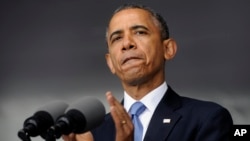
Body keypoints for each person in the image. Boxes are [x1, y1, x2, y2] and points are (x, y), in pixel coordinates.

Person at [63, 3, 233, 141]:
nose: (127, 44)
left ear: (168, 49)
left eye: (139, 32)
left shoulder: (207, 119)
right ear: (110, 62)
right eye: (117, 38)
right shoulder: (93, 133)